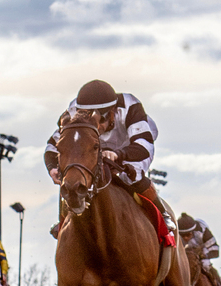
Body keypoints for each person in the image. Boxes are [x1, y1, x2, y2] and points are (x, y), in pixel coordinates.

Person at [44, 80, 176, 239]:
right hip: (91, 145)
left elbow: (143, 147)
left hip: (130, 144)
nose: (98, 126)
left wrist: (119, 154)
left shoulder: (130, 106)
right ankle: (63, 222)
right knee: (73, 177)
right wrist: (52, 167)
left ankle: (163, 214)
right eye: (91, 118)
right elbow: (52, 147)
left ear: (113, 111)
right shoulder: (73, 113)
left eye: (102, 119)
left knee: (130, 176)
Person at [177, 212, 221, 286]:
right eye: (182, 235)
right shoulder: (176, 235)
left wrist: (203, 255)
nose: (185, 238)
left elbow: (215, 251)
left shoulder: (203, 231)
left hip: (201, 252)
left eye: (188, 235)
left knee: (206, 265)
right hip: (185, 255)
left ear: (193, 231)